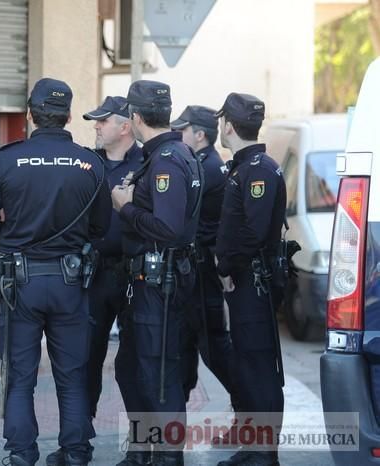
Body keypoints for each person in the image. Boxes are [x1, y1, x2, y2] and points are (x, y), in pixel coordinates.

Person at [0, 78, 112, 466]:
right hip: (71, 283)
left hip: (21, 282)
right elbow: (102, 227)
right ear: (68, 116)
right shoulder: (90, 163)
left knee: (21, 376)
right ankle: (76, 452)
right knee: (72, 375)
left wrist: (13, 234)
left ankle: (20, 453)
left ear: (31, 114)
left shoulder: (7, 159)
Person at [45, 95, 142, 466]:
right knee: (84, 362)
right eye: (94, 121)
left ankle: (140, 447)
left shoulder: (147, 163)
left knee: (134, 366)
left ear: (125, 126)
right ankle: (76, 444)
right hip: (94, 273)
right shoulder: (86, 164)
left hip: (134, 274)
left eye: (103, 121)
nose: (96, 126)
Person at [111, 80, 202, 466]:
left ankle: (165, 457)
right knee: (135, 368)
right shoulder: (172, 153)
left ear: (133, 118)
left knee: (158, 375)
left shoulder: (166, 159)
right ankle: (143, 450)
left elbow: (168, 228)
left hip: (159, 284)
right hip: (155, 281)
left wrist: (125, 206)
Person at [214, 93, 286, 466]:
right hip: (244, 282)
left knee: (258, 367)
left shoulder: (256, 169)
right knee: (247, 363)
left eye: (220, 120)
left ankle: (264, 452)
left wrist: (226, 267)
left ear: (228, 125)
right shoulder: (245, 167)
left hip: (251, 282)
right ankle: (254, 445)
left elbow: (254, 233)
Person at [170, 106, 237, 406]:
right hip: (199, 268)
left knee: (214, 346)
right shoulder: (206, 163)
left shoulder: (205, 167)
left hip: (202, 270)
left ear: (200, 134)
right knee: (186, 343)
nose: (178, 134)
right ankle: (177, 413)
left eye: (182, 129)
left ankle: (247, 408)